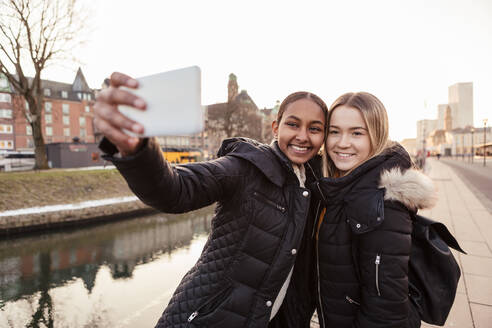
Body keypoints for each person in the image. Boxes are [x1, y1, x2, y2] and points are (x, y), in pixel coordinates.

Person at [94, 72, 326, 328]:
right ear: (275, 127)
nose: (303, 136)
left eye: (314, 129)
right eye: (293, 124)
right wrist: (139, 150)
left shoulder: (320, 185)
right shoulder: (246, 167)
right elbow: (176, 189)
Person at [311, 92, 437, 328]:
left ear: (377, 136)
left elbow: (386, 312)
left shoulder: (385, 206)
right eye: (334, 131)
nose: (342, 142)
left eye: (357, 133)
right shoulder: (338, 184)